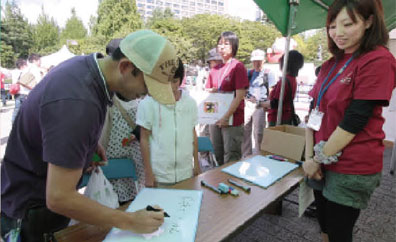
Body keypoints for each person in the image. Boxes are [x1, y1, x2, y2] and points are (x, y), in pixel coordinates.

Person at [1, 30, 179, 241]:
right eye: (148, 86)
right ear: (125, 67)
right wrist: (129, 220)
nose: (147, 95)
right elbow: (59, 197)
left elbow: (52, 125)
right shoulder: (78, 103)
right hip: (31, 211)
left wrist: (86, 144)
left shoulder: (87, 69)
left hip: (33, 195)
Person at [302, 0, 396, 242]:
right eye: (333, 26)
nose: (338, 33)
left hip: (351, 165)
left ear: (369, 22)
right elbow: (312, 112)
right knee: (323, 226)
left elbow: (355, 120)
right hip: (320, 161)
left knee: (338, 233)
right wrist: (309, 158)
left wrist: (316, 159)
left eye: (348, 24)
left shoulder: (378, 60)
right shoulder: (330, 64)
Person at [138, 59, 201, 187]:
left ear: (181, 79)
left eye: (175, 81)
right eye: (165, 80)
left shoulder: (190, 103)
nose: (170, 86)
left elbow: (192, 134)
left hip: (186, 173)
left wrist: (196, 165)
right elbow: (144, 138)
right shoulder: (148, 104)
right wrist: (148, 172)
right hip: (160, 175)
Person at [98, 38, 145, 203]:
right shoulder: (104, 94)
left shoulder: (137, 91)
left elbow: (147, 121)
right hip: (111, 154)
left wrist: (137, 133)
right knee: (111, 194)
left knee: (134, 192)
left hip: (135, 155)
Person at [205, 31, 249, 165]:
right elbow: (209, 91)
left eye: (226, 44)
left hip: (232, 119)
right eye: (219, 44)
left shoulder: (238, 66)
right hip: (216, 118)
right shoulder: (215, 69)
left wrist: (226, 117)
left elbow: (240, 95)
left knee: (231, 155)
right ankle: (218, 183)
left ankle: (230, 184)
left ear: (234, 46)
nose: (221, 47)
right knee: (217, 153)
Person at [242, 49, 275, 157]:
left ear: (264, 60)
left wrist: (267, 105)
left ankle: (259, 154)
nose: (256, 63)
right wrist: (247, 97)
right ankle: (246, 154)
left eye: (259, 61)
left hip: (261, 104)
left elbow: (271, 90)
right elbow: (244, 89)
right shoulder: (249, 73)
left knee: (259, 131)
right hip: (249, 104)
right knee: (245, 129)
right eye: (254, 61)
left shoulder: (268, 73)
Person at [267, 50, 304, 126]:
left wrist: (260, 104)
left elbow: (275, 103)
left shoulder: (284, 81)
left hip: (277, 119)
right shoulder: (293, 79)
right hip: (287, 117)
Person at [11, 58, 29, 123]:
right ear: (23, 65)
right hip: (25, 93)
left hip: (17, 93)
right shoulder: (25, 72)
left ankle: (13, 124)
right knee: (27, 111)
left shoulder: (14, 72)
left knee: (16, 110)